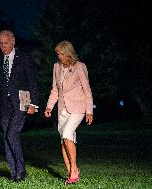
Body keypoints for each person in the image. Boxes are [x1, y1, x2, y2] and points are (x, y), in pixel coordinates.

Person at [0, 30, 38, 182]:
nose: (2, 46)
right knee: (7, 137)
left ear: (13, 42)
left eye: (5, 43)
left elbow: (32, 81)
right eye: (0, 43)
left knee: (12, 134)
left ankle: (21, 170)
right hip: (4, 104)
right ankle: (14, 172)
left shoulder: (23, 58)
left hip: (22, 100)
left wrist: (33, 103)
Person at [44, 40, 93, 185]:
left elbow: (87, 89)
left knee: (67, 135)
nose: (59, 56)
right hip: (62, 109)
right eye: (57, 54)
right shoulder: (56, 67)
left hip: (78, 108)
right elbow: (55, 89)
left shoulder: (80, 67)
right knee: (64, 141)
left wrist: (89, 111)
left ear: (68, 53)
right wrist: (49, 107)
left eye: (61, 53)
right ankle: (72, 172)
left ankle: (74, 172)